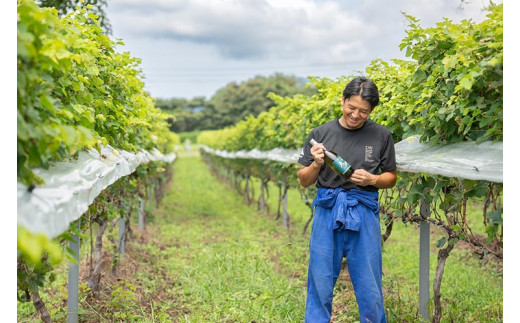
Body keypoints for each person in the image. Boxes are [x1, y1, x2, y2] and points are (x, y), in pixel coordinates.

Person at [297, 76, 397, 323]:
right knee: (320, 278)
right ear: (342, 100)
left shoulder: (381, 136)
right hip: (327, 208)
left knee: (369, 281)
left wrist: (372, 180)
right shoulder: (320, 134)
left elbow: (391, 177)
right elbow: (303, 180)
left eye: (363, 111)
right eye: (351, 107)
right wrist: (317, 164)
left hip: (363, 209)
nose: (355, 115)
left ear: (371, 110)